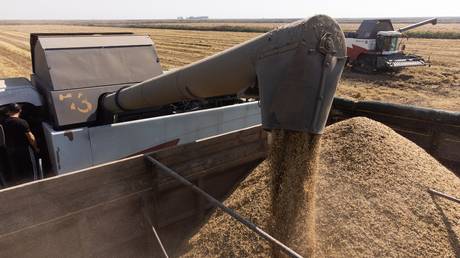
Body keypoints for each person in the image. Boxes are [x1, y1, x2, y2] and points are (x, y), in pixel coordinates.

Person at [2, 103, 39, 180]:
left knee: (18, 170)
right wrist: (35, 148)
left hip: (11, 150)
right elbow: (31, 137)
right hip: (24, 149)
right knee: (31, 170)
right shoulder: (22, 122)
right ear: (20, 110)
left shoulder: (3, 123)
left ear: (9, 112)